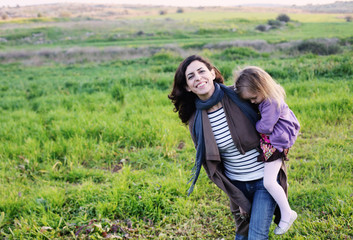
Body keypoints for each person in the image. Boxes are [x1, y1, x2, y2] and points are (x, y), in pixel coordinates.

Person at [168, 55, 288, 240]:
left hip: (265, 180)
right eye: (191, 76)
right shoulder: (195, 121)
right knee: (242, 236)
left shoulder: (241, 96)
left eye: (201, 71)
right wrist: (237, 198)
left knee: (256, 236)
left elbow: (277, 107)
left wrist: (284, 141)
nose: (198, 78)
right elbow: (214, 165)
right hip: (237, 185)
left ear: (212, 73)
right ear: (187, 87)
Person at [234, 66, 300, 235]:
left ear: (262, 87)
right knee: (268, 181)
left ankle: (287, 213)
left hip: (277, 143)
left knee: (269, 182)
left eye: (254, 98)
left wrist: (254, 124)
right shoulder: (267, 99)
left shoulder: (271, 102)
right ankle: (286, 213)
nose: (253, 102)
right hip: (275, 142)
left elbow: (266, 126)